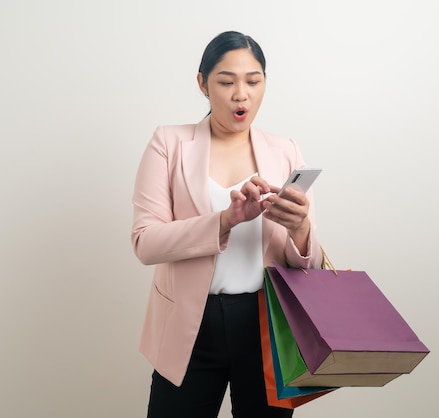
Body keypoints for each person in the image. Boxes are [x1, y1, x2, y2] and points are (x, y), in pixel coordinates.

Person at [131, 30, 323, 418]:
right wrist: (225, 220)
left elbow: (309, 266)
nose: (241, 94)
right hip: (190, 324)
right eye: (226, 81)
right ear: (202, 83)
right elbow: (145, 242)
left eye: (253, 81)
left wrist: (300, 229)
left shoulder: (285, 151)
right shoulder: (168, 143)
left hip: (267, 326)